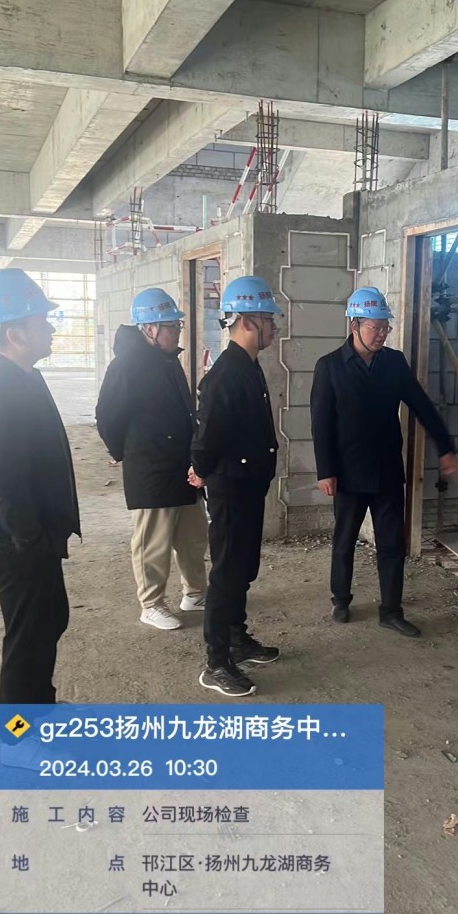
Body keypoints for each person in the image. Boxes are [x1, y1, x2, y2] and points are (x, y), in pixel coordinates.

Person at [310, 286, 458, 638]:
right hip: (347, 473)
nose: (381, 334)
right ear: (354, 325)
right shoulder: (330, 367)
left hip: (388, 470)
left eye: (385, 327)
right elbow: (320, 423)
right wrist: (326, 471)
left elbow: (421, 405)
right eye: (375, 327)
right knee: (345, 540)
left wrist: (445, 446)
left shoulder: (394, 363)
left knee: (392, 544)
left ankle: (391, 610)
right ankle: (340, 599)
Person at [0, 269, 80, 703]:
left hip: (29, 537)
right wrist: (31, 541)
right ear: (15, 333)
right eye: (42, 321)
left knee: (48, 621)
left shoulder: (21, 376)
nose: (51, 329)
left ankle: (39, 708)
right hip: (15, 543)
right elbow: (2, 484)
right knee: (28, 642)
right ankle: (19, 733)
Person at [96, 288, 208, 631]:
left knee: (192, 536)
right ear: (149, 329)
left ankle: (195, 593)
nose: (177, 331)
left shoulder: (167, 360)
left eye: (177, 325)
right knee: (153, 542)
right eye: (171, 326)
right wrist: (125, 453)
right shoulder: (126, 366)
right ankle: (152, 603)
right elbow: (107, 417)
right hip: (151, 467)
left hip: (181, 465)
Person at [191, 275, 282, 697]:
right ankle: (216, 663)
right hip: (230, 489)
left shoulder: (248, 366)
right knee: (226, 573)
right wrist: (200, 470)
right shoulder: (225, 374)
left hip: (249, 486)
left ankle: (236, 638)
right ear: (247, 321)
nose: (274, 328)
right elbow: (206, 436)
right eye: (269, 320)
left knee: (243, 568)